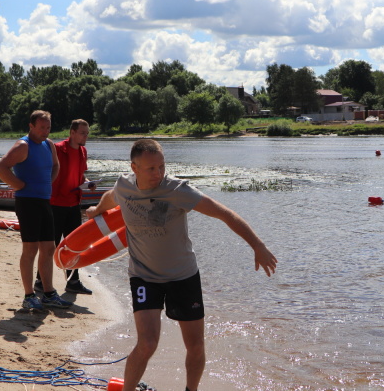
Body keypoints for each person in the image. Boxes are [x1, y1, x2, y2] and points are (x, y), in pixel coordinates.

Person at [85, 139, 278, 391]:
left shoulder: (178, 190)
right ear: (134, 168)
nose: (158, 174)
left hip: (183, 276)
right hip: (144, 276)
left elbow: (224, 213)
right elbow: (110, 198)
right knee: (147, 343)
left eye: (162, 167)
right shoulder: (124, 187)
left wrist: (257, 245)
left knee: (195, 346)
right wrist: (96, 210)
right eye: (151, 169)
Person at [0, 110, 72, 311]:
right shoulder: (23, 146)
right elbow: (0, 168)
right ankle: (29, 295)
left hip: (44, 201)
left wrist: (49, 181)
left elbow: (56, 165)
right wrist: (18, 185)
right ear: (31, 126)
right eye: (41, 128)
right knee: (30, 250)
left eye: (48, 128)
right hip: (27, 202)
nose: (45, 132)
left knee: (49, 248)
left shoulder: (49, 145)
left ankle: (48, 293)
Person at [47, 118, 93, 295]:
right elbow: (47, 171)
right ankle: (40, 280)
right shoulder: (57, 149)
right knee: (51, 245)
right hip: (55, 203)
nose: (85, 136)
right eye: (83, 133)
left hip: (74, 204)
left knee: (75, 245)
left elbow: (80, 176)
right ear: (72, 133)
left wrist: (88, 183)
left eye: (87, 133)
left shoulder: (83, 151)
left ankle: (73, 281)